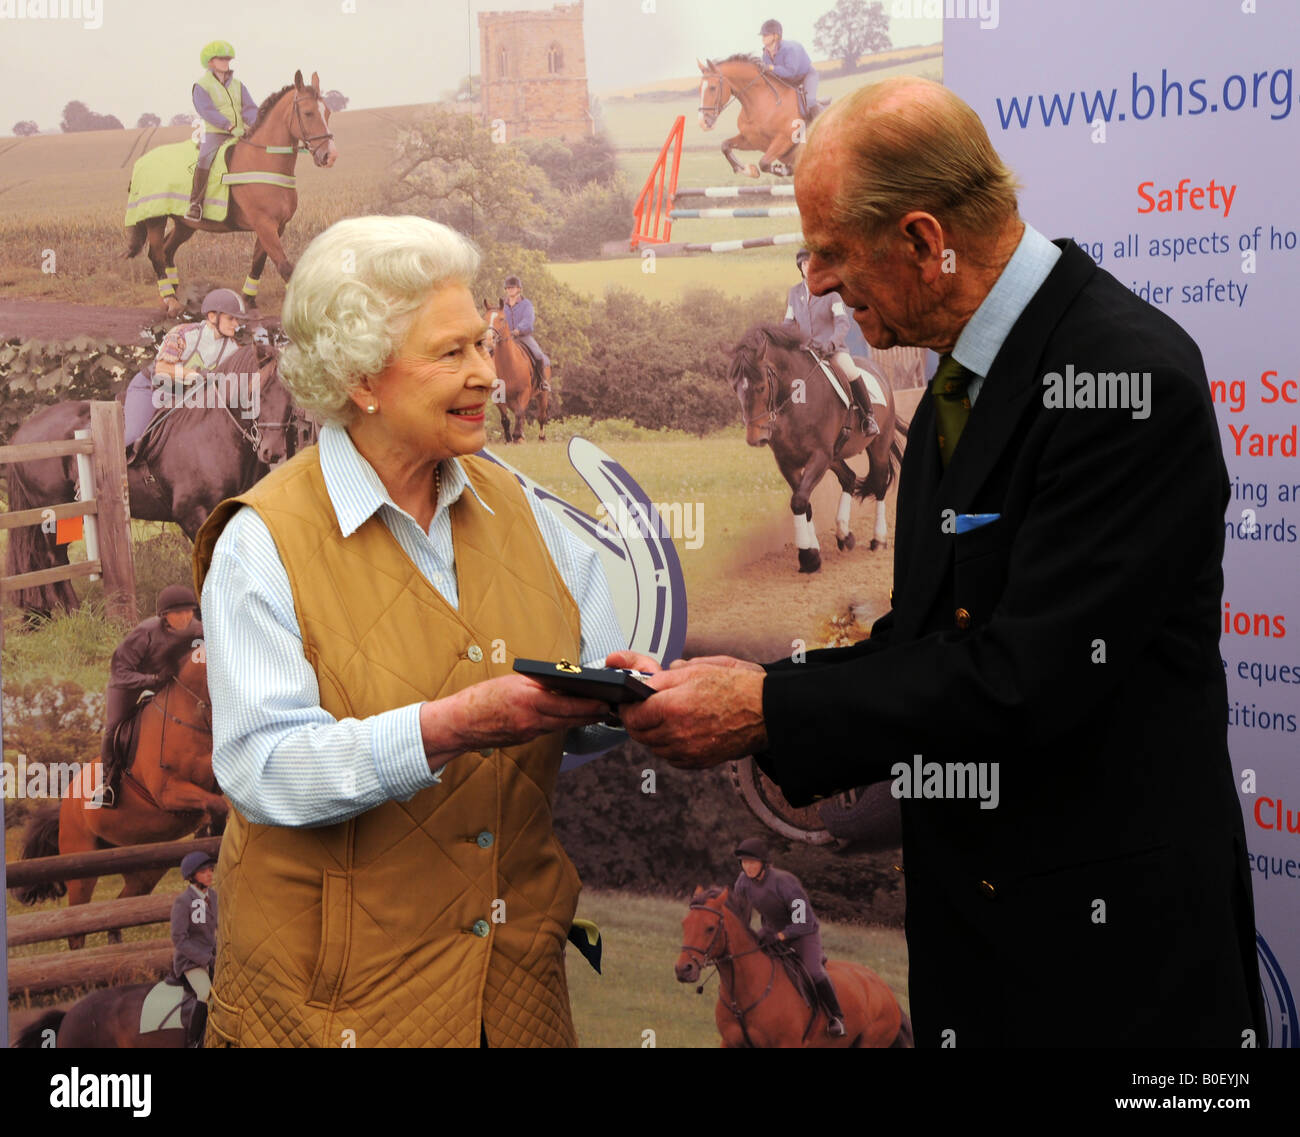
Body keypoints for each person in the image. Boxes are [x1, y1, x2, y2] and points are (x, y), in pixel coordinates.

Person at [612, 76, 1265, 1048]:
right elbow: (928, 642)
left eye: (831, 252)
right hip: (986, 955)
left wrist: (764, 709)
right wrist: (754, 691)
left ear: (923, 239)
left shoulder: (1124, 382)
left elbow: (1020, 681)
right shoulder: (959, 377)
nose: (819, 283)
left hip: (1111, 979)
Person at [193, 214, 627, 1048]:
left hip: (516, 1000)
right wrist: (448, 727)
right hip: (328, 1012)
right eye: (451, 353)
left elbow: (586, 699)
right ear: (361, 378)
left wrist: (618, 693)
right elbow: (265, 767)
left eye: (483, 344)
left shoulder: (531, 511)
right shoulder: (263, 539)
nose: (487, 375)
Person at [93, 585, 203, 809]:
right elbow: (120, 672)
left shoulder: (198, 630)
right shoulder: (146, 632)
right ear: (164, 616)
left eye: (188, 611)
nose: (185, 618)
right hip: (129, 684)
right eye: (178, 613)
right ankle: (107, 783)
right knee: (114, 727)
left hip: (170, 683)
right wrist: (152, 679)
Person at [731, 837, 845, 1037]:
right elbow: (741, 916)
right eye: (744, 863)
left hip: (803, 933)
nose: (747, 867)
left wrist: (782, 936)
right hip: (771, 931)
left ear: (763, 863)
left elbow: (803, 922)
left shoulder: (784, 882)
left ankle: (836, 1017)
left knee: (814, 972)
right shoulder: (743, 881)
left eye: (752, 863)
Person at [124, 288, 247, 448]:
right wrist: (195, 375)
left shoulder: (233, 349)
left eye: (237, 320)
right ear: (212, 316)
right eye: (231, 319)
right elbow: (162, 369)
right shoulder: (183, 333)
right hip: (151, 388)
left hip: (185, 397)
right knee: (135, 437)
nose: (236, 325)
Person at [784, 247, 879, 441]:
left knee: (850, 370)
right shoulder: (794, 293)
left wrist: (831, 343)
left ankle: (868, 417)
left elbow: (842, 323)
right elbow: (788, 323)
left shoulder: (831, 292)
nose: (807, 267)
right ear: (800, 267)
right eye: (804, 264)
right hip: (805, 353)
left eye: (811, 263)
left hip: (831, 350)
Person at [186, 41, 259, 221]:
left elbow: (249, 108)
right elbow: (207, 110)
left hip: (240, 132)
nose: (226, 61)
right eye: (221, 58)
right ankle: (195, 204)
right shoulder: (201, 85)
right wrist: (228, 126)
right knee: (205, 159)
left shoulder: (238, 85)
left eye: (228, 58)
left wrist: (259, 123)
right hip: (215, 132)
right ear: (210, 62)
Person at [169, 851, 219, 1048]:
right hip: (190, 961)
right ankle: (194, 1041)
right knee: (206, 994)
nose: (209, 874)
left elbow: (216, 930)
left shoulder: (213, 896)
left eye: (210, 870)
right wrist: (205, 959)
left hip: (213, 956)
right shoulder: (183, 901)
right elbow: (179, 939)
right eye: (203, 871)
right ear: (191, 876)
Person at [759, 19, 820, 123]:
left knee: (809, 101)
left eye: (766, 35)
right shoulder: (765, 53)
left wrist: (771, 68)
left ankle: (820, 124)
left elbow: (790, 72)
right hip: (789, 81)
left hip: (806, 75)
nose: (763, 38)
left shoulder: (789, 49)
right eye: (762, 35)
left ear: (775, 36)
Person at [502, 274, 552, 391]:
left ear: (519, 289)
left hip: (523, 337)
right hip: (506, 338)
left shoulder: (526, 304)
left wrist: (518, 330)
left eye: (512, 287)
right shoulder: (503, 305)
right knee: (489, 352)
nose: (510, 290)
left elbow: (528, 320)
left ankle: (542, 381)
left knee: (539, 355)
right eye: (508, 288)